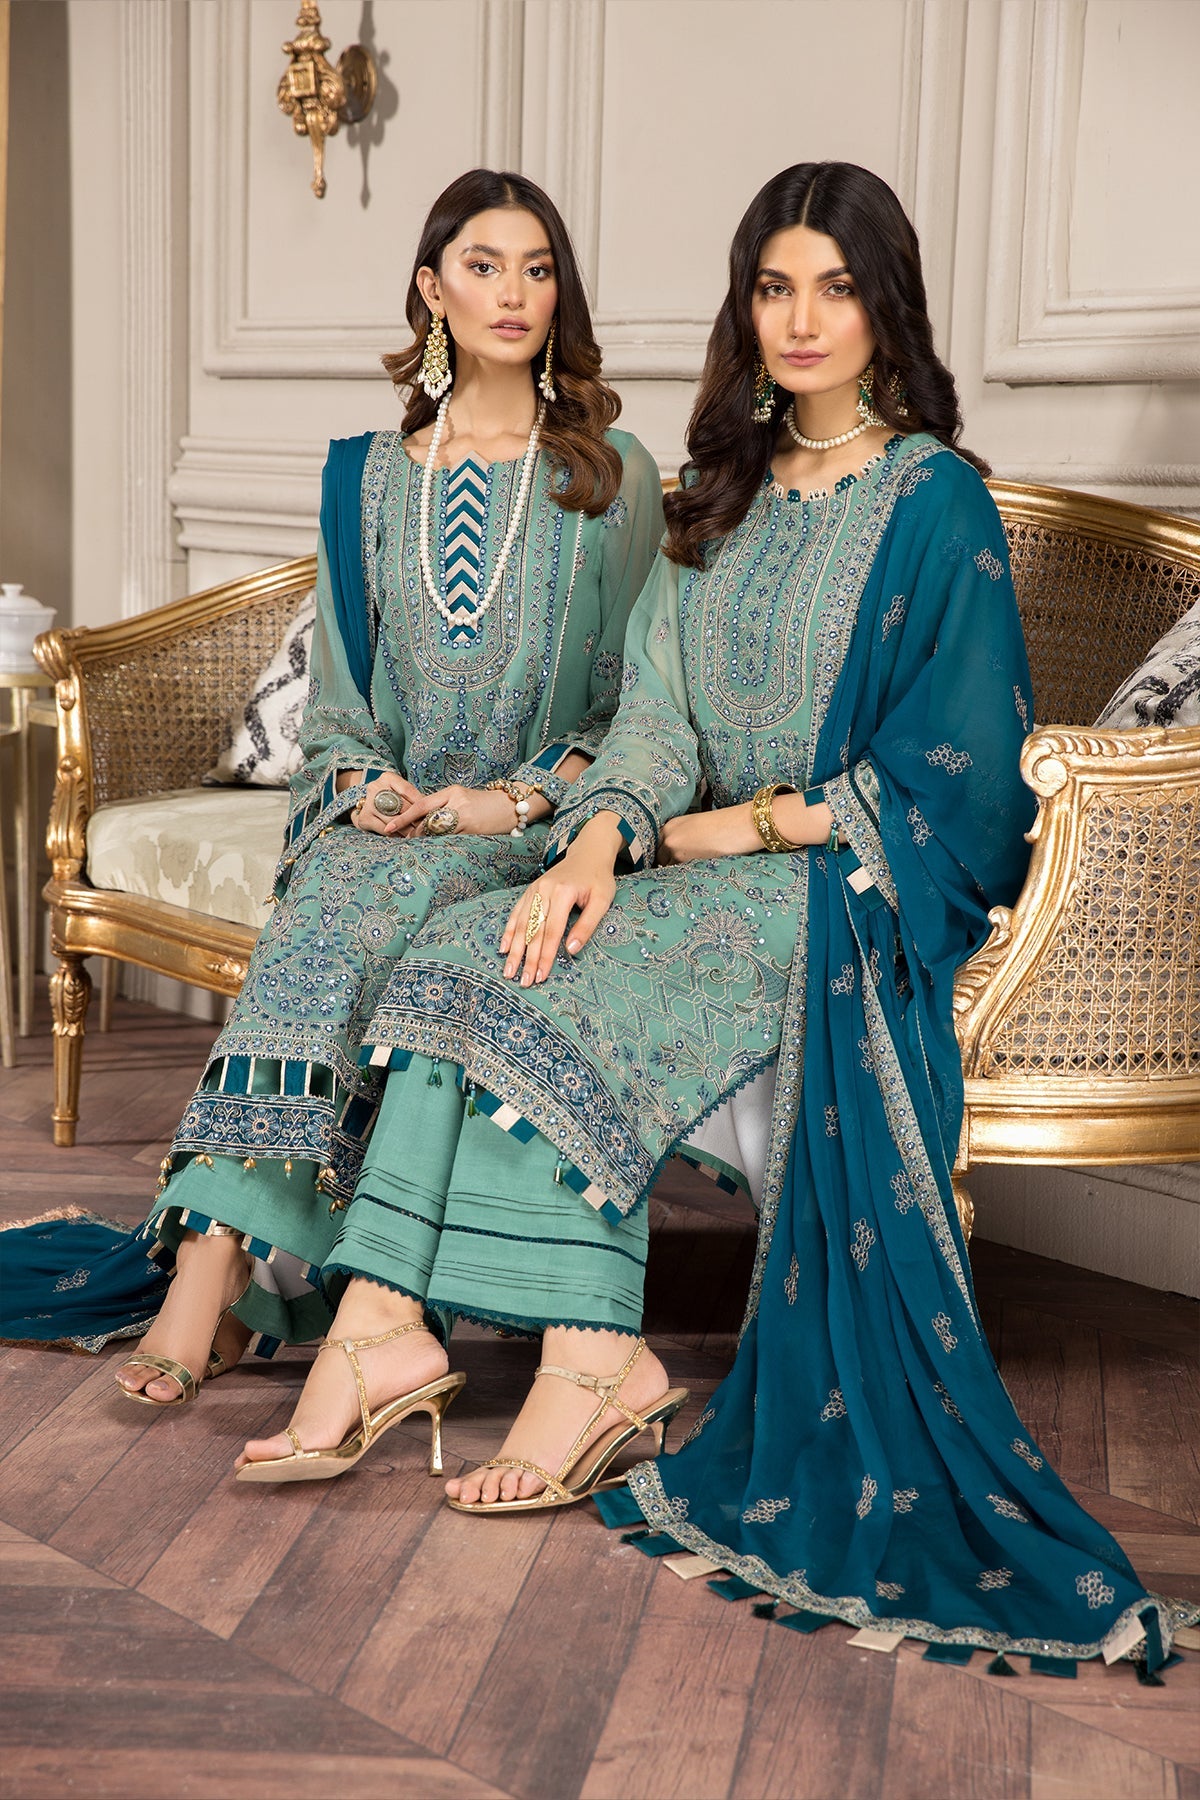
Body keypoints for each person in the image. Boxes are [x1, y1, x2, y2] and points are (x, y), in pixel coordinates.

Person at [229, 160, 1198, 1672]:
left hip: (840, 882)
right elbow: (655, 720)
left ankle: (590, 1366)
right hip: (686, 858)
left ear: (885, 310)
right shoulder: (716, 494)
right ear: (745, 310)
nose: (801, 320)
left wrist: (741, 828)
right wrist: (595, 843)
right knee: (471, 941)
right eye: (773, 287)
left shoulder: (934, 502)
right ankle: (379, 1323)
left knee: (569, 985)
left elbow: (962, 767)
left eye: (835, 288)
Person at [1, 168, 663, 1414]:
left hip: (530, 828)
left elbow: (636, 708)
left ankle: (213, 1275)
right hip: (394, 821)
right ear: (431, 290)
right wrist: (363, 791)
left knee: (351, 906)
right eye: (483, 266)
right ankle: (218, 1258)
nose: (513, 293)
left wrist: (506, 803)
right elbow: (345, 711)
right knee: (339, 891)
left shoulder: (611, 479)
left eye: (536, 270)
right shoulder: (365, 478)